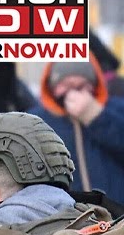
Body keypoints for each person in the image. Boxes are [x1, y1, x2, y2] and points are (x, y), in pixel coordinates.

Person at [31, 58, 124, 203]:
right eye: (66, 84)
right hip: (67, 217)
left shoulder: (117, 109)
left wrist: (97, 116)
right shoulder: (36, 120)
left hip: (116, 213)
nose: (73, 93)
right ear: (52, 86)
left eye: (81, 85)